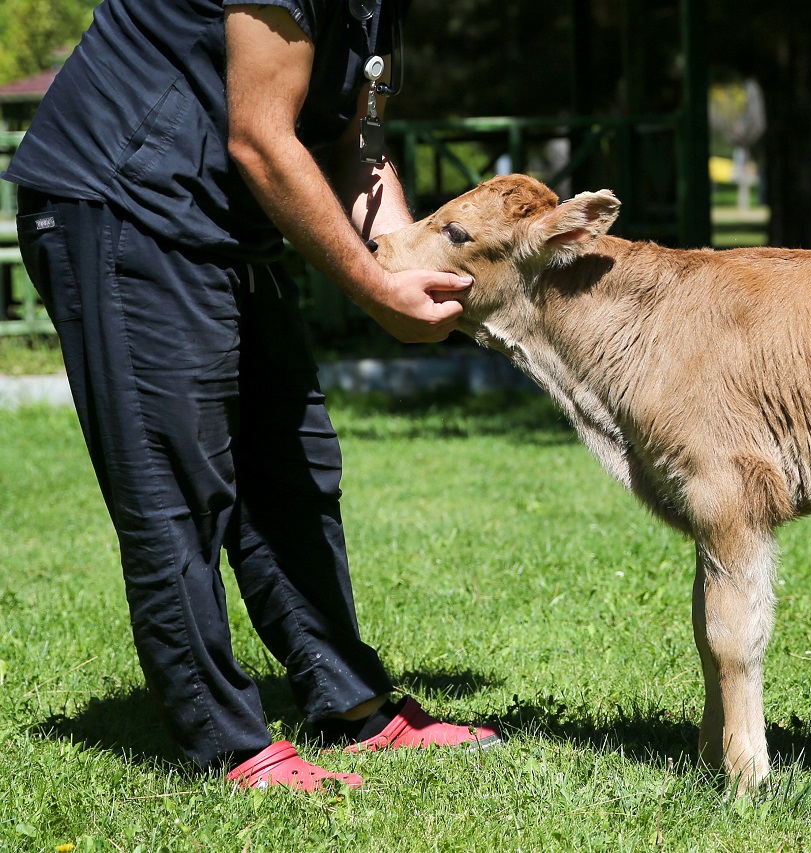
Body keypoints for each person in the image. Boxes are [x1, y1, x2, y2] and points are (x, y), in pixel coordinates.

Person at [2, 0, 499, 791]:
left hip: (226, 222)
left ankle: (352, 703)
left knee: (294, 466)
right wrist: (375, 290)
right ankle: (227, 742)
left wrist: (409, 264)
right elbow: (262, 138)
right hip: (123, 202)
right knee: (177, 483)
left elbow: (354, 146)